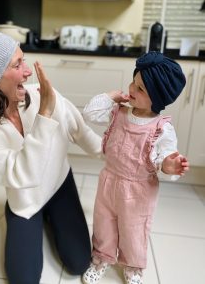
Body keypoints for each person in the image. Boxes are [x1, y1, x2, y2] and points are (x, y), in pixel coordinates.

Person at [0, 31, 102, 284]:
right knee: (24, 280)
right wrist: (44, 115)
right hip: (25, 200)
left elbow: (82, 134)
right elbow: (25, 175)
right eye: (17, 64)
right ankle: (32, 216)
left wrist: (129, 155)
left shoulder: (43, 94)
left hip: (58, 184)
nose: (28, 72)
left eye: (24, 60)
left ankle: (51, 212)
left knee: (79, 263)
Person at [81, 51, 190, 284]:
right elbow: (89, 113)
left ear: (158, 98)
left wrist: (170, 165)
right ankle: (102, 259)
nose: (132, 89)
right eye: (134, 81)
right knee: (104, 223)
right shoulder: (118, 111)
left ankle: (132, 267)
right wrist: (110, 96)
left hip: (139, 191)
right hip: (109, 181)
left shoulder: (161, 128)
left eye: (141, 89)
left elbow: (165, 156)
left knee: (133, 230)